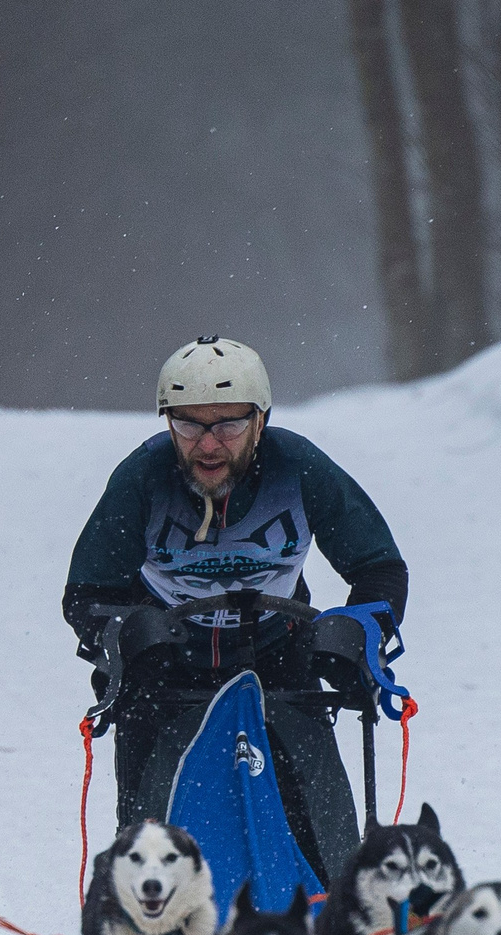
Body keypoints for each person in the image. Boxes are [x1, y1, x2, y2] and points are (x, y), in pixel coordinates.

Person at [63, 336, 408, 883]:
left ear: (260, 420)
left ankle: (339, 926)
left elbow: (380, 568)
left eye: (227, 424)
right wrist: (127, 633)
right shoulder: (142, 479)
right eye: (189, 424)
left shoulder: (299, 468)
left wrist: (354, 629)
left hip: (276, 655)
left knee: (324, 825)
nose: (207, 445)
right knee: (148, 834)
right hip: (166, 666)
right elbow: (86, 593)